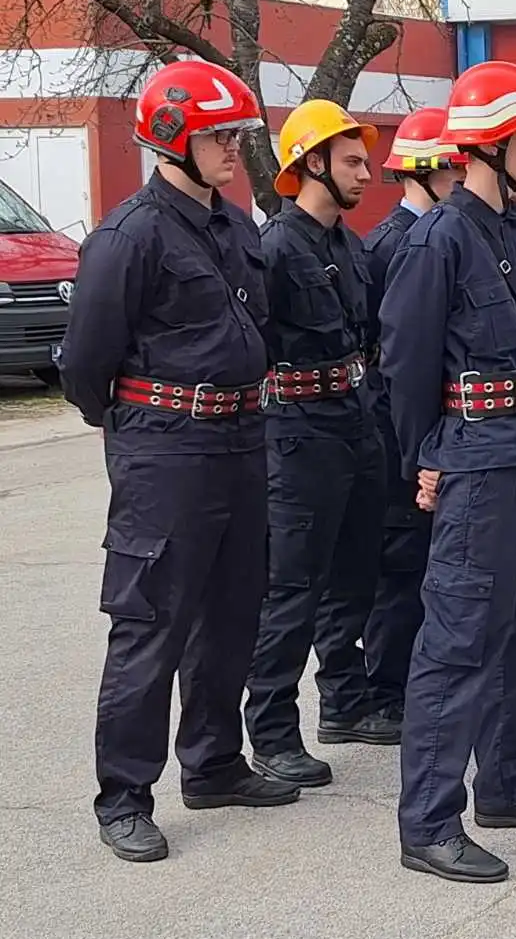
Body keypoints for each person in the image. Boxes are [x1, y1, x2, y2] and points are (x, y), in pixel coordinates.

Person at [59, 60, 299, 864]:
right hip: (167, 450)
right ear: (172, 140)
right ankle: (124, 796)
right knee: (151, 626)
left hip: (241, 440)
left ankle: (215, 763)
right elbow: (87, 364)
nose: (234, 149)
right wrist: (133, 429)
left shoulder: (235, 227)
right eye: (219, 136)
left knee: (234, 616)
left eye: (234, 135)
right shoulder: (129, 236)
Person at [380, 60, 516, 885]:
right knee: (458, 642)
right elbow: (404, 365)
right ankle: (429, 823)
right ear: (494, 145)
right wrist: (427, 459)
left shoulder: (514, 233)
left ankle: (507, 783)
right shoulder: (440, 239)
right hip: (479, 460)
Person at [244, 99, 389, 790]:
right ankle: (272, 732)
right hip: (299, 431)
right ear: (312, 164)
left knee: (355, 573)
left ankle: (345, 702)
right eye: (354, 161)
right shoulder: (275, 248)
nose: (368, 172)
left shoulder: (347, 245)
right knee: (292, 587)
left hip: (354, 420)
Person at [362, 107, 465, 728]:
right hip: (399, 429)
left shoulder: (430, 236)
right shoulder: (401, 243)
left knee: (425, 564)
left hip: (419, 427)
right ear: (423, 174)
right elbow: (396, 356)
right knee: (401, 568)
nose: (460, 178)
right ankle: (386, 690)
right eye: (451, 169)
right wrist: (414, 449)